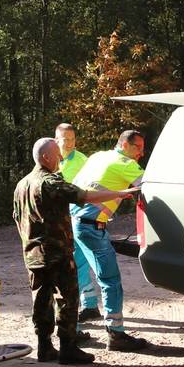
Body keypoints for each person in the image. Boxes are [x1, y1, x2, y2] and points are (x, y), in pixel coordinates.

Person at [14, 137, 137, 364]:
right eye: (56, 155)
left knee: (41, 301)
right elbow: (85, 196)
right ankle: (68, 348)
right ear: (45, 157)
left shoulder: (22, 184)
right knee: (68, 300)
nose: (61, 158)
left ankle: (44, 347)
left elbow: (17, 218)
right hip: (57, 253)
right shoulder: (50, 182)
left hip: (33, 254)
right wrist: (119, 193)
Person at [71, 130, 150, 351]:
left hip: (73, 220)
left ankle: (70, 330)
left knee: (72, 275)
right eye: (138, 147)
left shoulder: (98, 156)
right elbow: (152, 186)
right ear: (124, 145)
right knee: (110, 280)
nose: (141, 153)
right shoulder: (125, 163)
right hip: (91, 226)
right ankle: (116, 334)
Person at [55, 122, 102, 326]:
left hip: (77, 218)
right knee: (75, 264)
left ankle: (89, 305)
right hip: (58, 220)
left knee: (78, 263)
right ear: (56, 139)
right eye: (65, 139)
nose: (69, 143)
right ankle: (89, 304)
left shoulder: (82, 160)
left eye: (72, 139)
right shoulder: (52, 159)